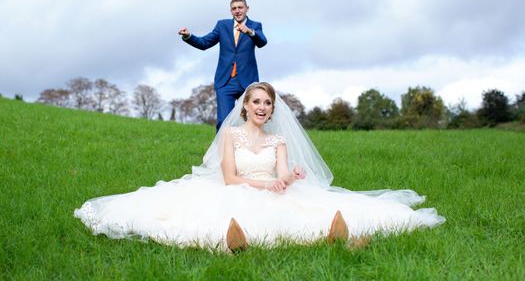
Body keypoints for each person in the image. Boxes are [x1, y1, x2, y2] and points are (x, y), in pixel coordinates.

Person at [74, 82, 445, 252]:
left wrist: (291, 177)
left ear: (272, 108)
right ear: (246, 107)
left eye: (267, 102)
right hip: (238, 191)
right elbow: (230, 177)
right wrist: (266, 186)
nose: (262, 107)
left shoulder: (277, 141)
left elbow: (281, 173)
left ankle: (335, 236)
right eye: (256, 102)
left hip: (272, 190)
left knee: (301, 210)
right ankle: (236, 241)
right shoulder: (231, 136)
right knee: (214, 214)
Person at [178, 0, 267, 132]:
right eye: (234, 8)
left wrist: (249, 32)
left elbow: (262, 42)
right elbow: (204, 43)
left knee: (252, 122)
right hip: (225, 81)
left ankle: (249, 151)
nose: (237, 11)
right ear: (231, 11)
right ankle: (223, 152)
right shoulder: (222, 25)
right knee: (224, 123)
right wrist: (188, 36)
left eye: (240, 7)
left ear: (247, 9)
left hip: (248, 82)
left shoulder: (255, 25)